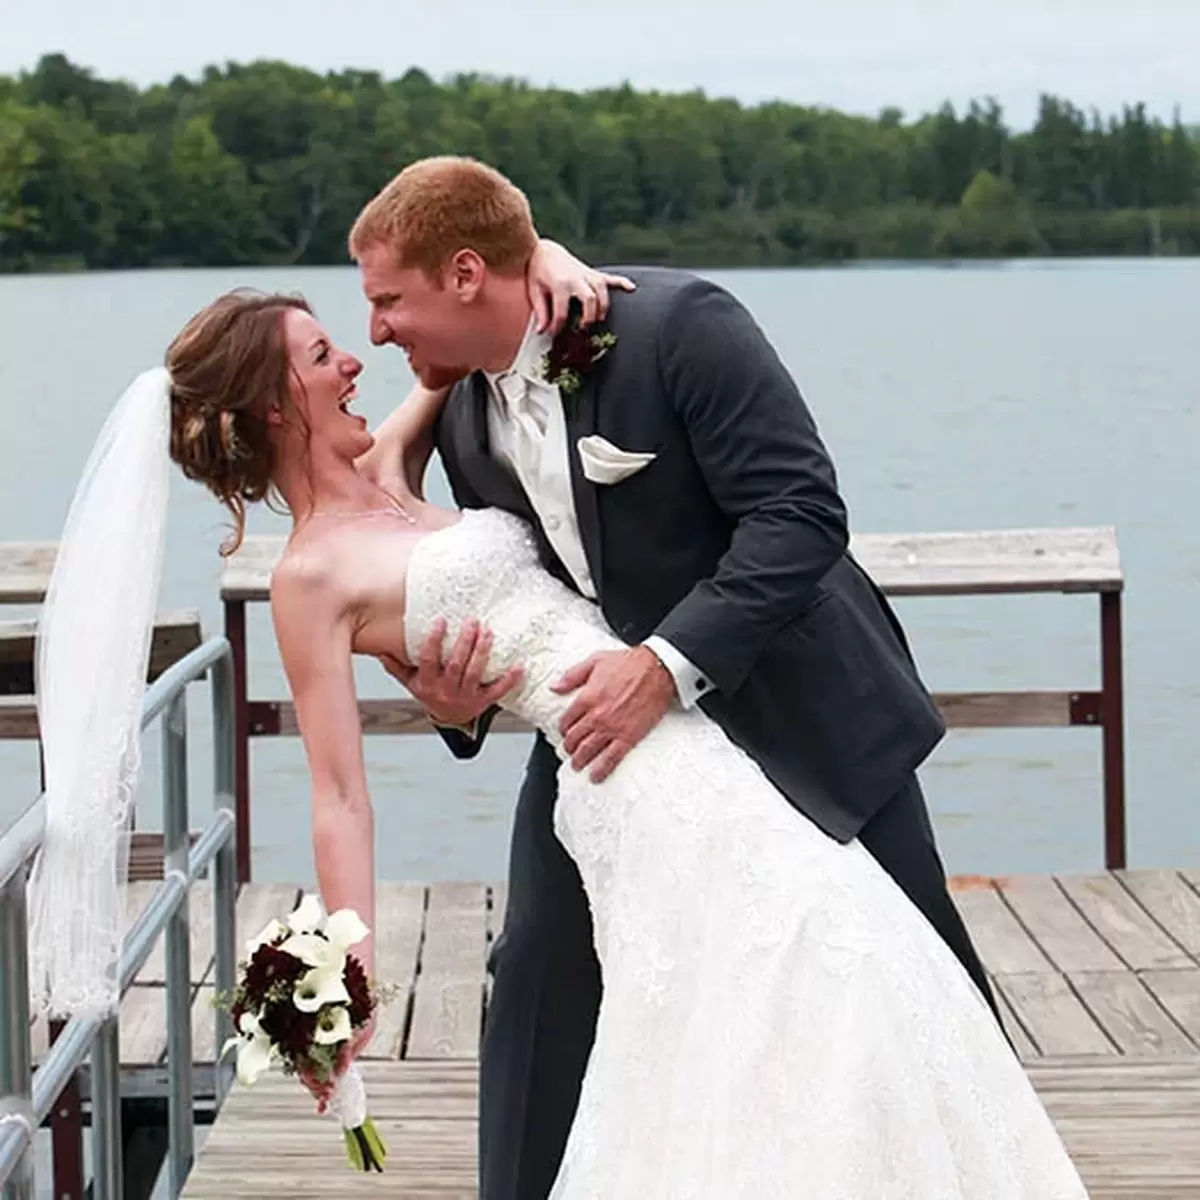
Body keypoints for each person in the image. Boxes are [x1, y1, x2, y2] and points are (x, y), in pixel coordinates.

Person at [29, 202, 1087, 1198]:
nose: (362, 348)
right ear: (273, 404)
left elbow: (479, 305)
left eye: (375, 315)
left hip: (726, 711)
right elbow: (340, 791)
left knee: (850, 960)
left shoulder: (411, 451)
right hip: (605, 759)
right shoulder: (309, 578)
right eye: (325, 353)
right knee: (681, 980)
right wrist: (350, 956)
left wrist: (544, 255)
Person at [349, 157, 1052, 1199]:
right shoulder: (459, 418)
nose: (374, 332)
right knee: (539, 971)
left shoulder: (680, 326)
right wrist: (459, 707)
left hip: (794, 694)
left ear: (463, 275)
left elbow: (801, 514)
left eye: (386, 301)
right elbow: (527, 590)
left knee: (913, 949)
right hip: (604, 736)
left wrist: (666, 666)